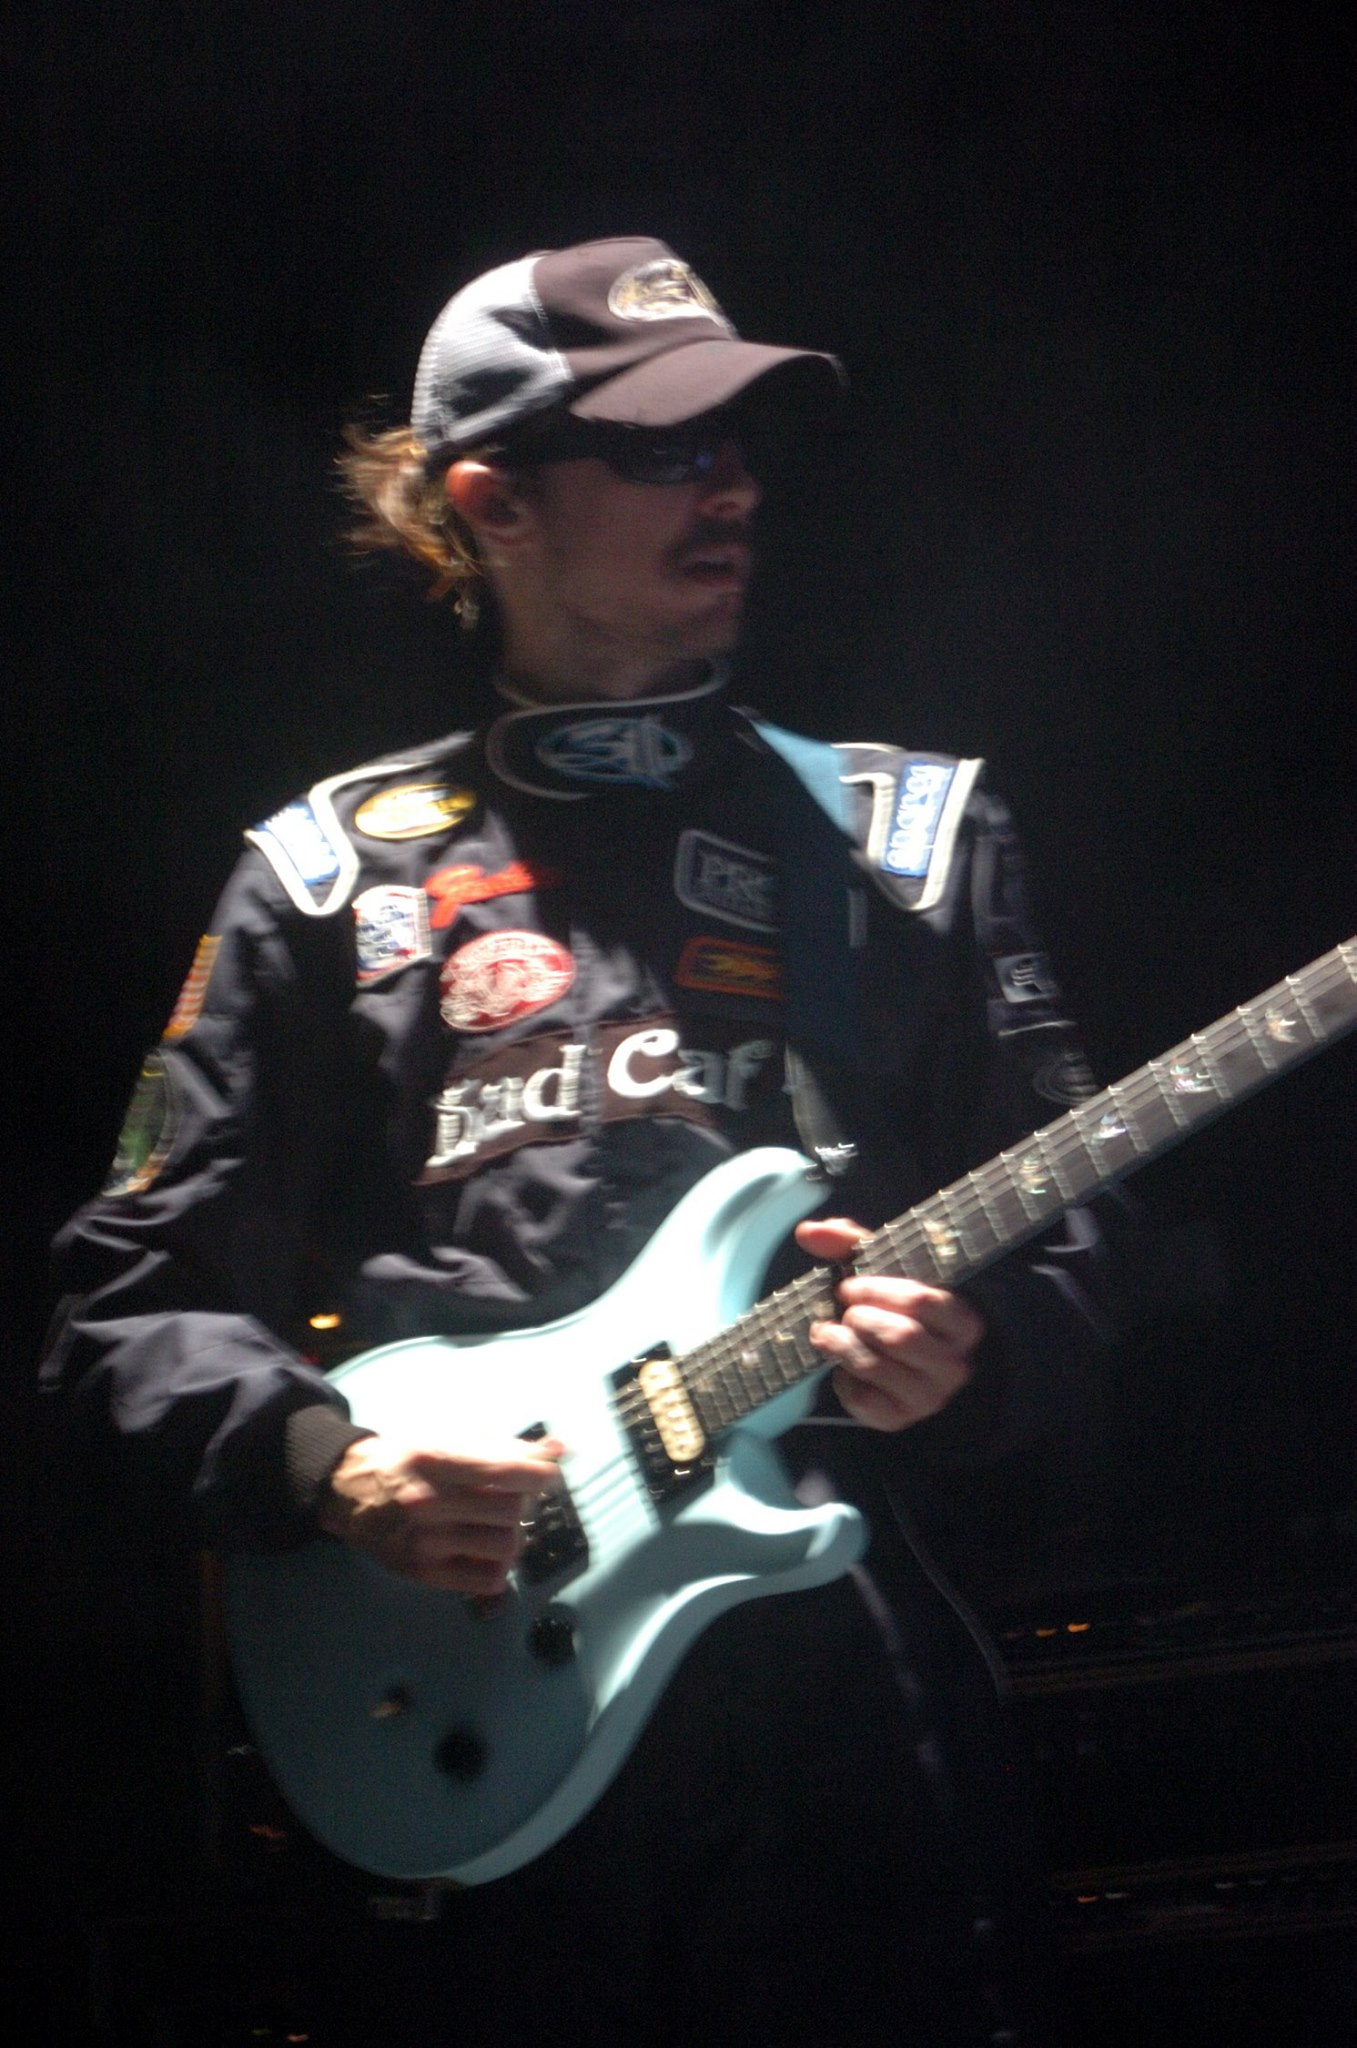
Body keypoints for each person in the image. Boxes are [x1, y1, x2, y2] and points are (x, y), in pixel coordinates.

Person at [45, 237, 1118, 2045]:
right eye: (665, 448)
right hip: (463, 1720)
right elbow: (123, 1306)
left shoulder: (911, 837)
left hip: (839, 1724)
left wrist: (976, 1351)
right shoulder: (324, 873)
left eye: (737, 444)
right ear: (494, 502)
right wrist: (334, 1470)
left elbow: (1080, 1247)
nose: (733, 487)